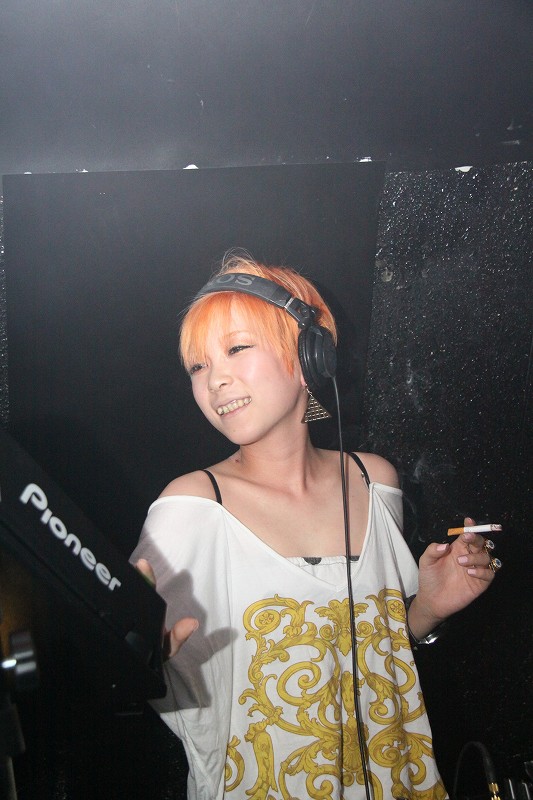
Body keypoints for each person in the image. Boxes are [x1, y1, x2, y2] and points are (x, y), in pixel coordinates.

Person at [131, 254, 499, 800]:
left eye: (236, 349)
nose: (215, 379)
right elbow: (128, 662)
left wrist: (427, 608)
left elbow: (373, 660)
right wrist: (137, 653)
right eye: (198, 366)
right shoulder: (192, 505)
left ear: (310, 356)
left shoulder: (374, 480)